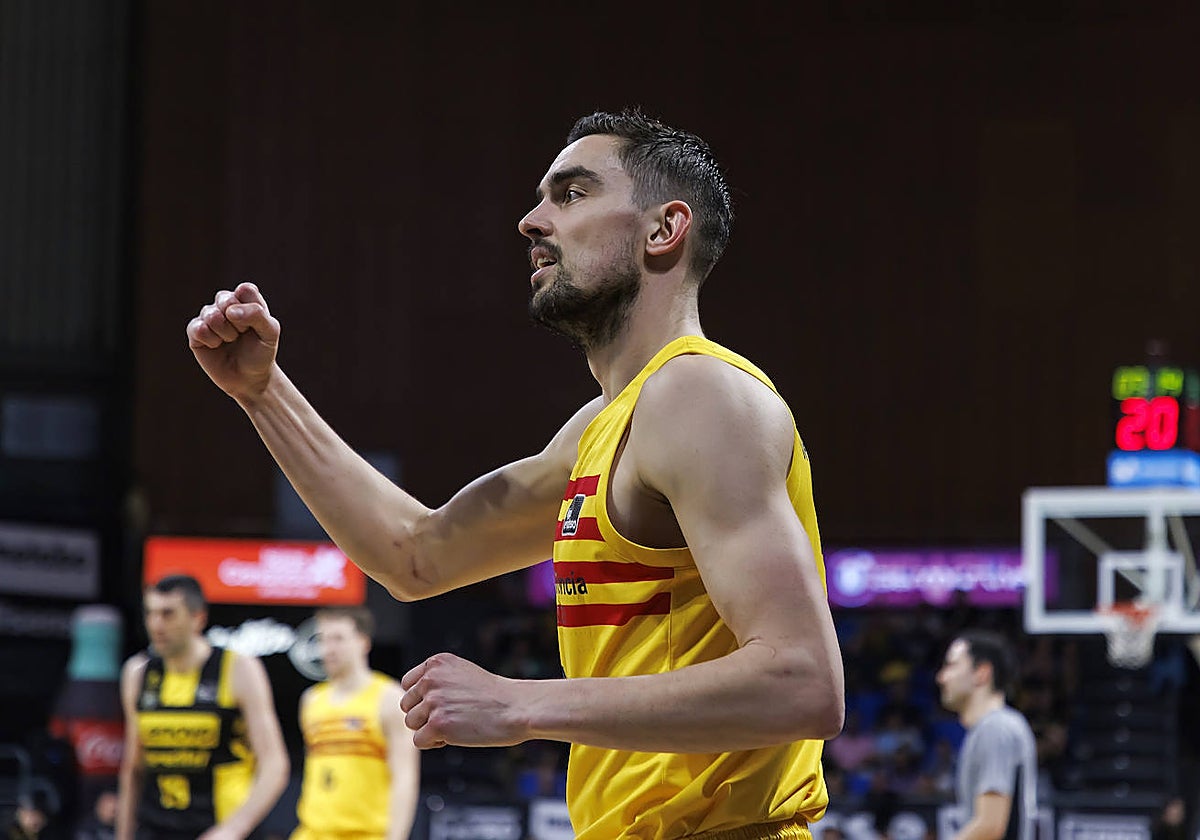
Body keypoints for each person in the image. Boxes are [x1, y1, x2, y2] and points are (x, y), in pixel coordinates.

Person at [187, 108, 845, 840]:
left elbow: (802, 682)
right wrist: (262, 393)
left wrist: (518, 704)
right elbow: (414, 554)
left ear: (664, 229)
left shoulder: (700, 394)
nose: (531, 222)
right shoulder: (604, 427)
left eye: (572, 194)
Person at [116, 575, 290, 840]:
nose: (156, 624)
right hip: (157, 827)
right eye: (150, 613)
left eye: (168, 614)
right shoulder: (138, 673)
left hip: (222, 827)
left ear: (198, 618)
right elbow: (133, 767)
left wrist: (234, 829)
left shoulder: (238, 669)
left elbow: (275, 764)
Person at [290, 607, 419, 840]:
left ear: (363, 642)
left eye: (338, 639)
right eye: (323, 639)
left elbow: (405, 777)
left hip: (367, 833)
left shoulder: (390, 699)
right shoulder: (311, 700)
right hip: (312, 832)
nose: (328, 649)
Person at [935, 630, 1037, 840]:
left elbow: (990, 825)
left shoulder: (995, 728)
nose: (941, 677)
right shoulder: (991, 728)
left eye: (951, 665)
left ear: (982, 673)